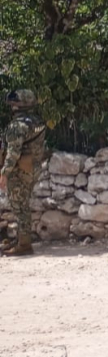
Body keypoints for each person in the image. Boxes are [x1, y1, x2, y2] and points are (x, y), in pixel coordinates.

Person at [1, 89, 46, 257]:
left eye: (14, 102)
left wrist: (4, 173)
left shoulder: (17, 126)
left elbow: (13, 153)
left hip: (19, 170)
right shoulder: (37, 121)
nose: (11, 105)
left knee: (20, 207)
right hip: (33, 168)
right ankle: (21, 240)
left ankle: (24, 245)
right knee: (23, 204)